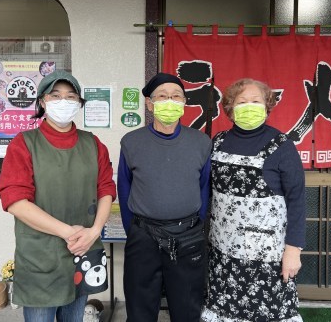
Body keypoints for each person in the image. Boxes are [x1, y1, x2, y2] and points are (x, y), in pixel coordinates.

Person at [0, 70, 116, 322]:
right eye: (56, 95)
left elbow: (106, 189)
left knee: (74, 318)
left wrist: (94, 231)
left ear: (79, 103)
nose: (64, 101)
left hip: (83, 249)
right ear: (42, 101)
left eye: (71, 96)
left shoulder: (94, 144)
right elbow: (16, 202)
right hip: (42, 254)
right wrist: (69, 232)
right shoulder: (24, 144)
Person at [201, 78, 306, 322]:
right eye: (242, 102)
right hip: (223, 249)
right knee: (225, 308)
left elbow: (297, 200)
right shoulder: (217, 142)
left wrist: (293, 249)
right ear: (230, 108)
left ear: (267, 106)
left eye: (256, 101)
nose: (249, 106)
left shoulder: (282, 145)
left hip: (267, 255)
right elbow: (206, 191)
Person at [117, 73, 212, 322]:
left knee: (187, 309)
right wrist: (136, 231)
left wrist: (191, 225)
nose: (169, 101)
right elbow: (125, 187)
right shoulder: (131, 142)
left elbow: (203, 187)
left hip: (188, 235)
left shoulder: (201, 142)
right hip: (143, 237)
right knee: (139, 310)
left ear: (183, 103)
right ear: (150, 103)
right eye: (162, 96)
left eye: (176, 96)